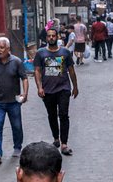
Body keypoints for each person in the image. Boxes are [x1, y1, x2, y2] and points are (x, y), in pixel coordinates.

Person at [0, 37, 29, 165]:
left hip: (13, 102)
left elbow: (24, 78)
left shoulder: (17, 62)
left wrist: (24, 94)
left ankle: (17, 147)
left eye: (1, 47)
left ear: (8, 49)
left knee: (17, 126)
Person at [34, 27, 79, 156]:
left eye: (54, 36)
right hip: (48, 90)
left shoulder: (65, 52)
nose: (51, 38)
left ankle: (64, 143)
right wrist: (39, 87)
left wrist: (75, 86)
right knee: (52, 115)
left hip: (63, 88)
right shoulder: (40, 53)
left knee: (64, 115)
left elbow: (71, 70)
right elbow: (37, 70)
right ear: (46, 38)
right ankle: (56, 138)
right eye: (49, 36)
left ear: (57, 37)